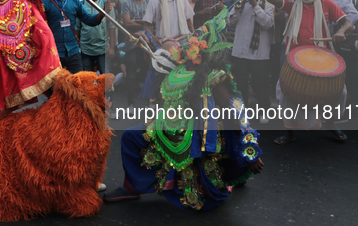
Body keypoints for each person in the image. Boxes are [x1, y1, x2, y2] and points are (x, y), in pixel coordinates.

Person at [104, 12, 264, 208]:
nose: (187, 46)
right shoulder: (177, 69)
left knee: (208, 197)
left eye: (193, 44)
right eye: (187, 44)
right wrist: (143, 41)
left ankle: (231, 171)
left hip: (195, 136)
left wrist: (250, 154)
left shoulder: (213, 76)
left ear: (204, 51)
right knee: (130, 136)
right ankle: (131, 188)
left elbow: (236, 111)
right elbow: (156, 58)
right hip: (165, 127)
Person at [267, 0, 353, 143]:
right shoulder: (291, 2)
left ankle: (331, 123)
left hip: (321, 58)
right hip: (294, 58)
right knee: (286, 93)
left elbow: (347, 22)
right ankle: (289, 131)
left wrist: (341, 31)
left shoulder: (327, 3)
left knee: (339, 92)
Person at [227, 0, 274, 123]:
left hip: (259, 54)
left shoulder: (268, 5)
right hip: (240, 52)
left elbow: (268, 24)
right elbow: (229, 22)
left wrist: (255, 6)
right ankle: (242, 112)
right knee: (240, 84)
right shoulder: (241, 4)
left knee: (260, 84)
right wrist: (237, 8)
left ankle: (264, 112)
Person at [43, 0, 110, 74]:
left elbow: (90, 20)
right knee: (57, 88)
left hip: (74, 53)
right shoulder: (44, 3)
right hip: (54, 54)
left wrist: (103, 12)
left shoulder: (75, 2)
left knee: (78, 86)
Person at [76, 0, 116, 74]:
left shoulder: (106, 5)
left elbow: (112, 27)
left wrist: (112, 47)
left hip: (103, 49)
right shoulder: (81, 5)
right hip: (86, 49)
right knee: (88, 80)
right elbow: (77, 28)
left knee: (106, 79)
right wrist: (78, 46)